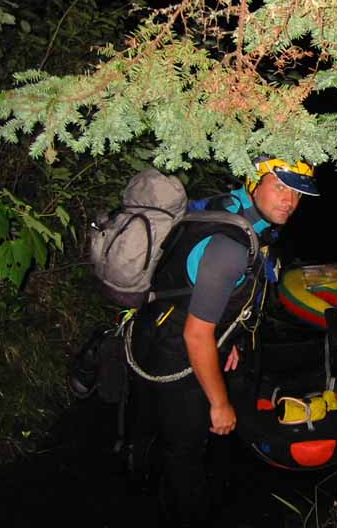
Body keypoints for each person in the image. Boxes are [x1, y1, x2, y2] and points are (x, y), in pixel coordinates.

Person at [132, 156, 319, 526]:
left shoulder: (232, 207)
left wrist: (226, 332)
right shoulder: (231, 246)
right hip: (176, 346)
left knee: (163, 428)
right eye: (280, 187)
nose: (290, 202)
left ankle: (148, 475)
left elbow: (209, 295)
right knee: (184, 450)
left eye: (297, 193)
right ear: (253, 181)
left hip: (165, 321)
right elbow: (196, 333)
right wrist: (219, 404)